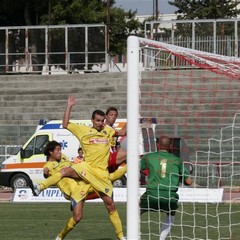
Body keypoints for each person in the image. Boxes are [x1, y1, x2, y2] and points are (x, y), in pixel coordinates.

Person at [32, 96, 126, 240]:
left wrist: (135, 120)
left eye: (102, 121)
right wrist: (69, 106)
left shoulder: (108, 131)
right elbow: (65, 124)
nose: (100, 124)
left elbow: (121, 132)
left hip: (101, 174)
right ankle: (40, 187)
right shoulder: (82, 130)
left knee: (111, 206)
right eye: (98, 121)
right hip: (87, 168)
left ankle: (121, 237)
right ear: (92, 120)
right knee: (64, 172)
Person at [41, 140, 127, 240]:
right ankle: (60, 236)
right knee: (77, 218)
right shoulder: (48, 165)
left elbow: (72, 166)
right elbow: (45, 172)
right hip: (72, 192)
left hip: (82, 184)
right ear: (51, 152)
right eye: (58, 150)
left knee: (108, 180)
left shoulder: (64, 157)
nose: (60, 152)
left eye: (60, 150)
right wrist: (45, 172)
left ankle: (121, 236)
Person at [140, 136, 192, 240]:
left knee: (137, 210)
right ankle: (161, 239)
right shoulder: (177, 160)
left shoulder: (148, 157)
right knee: (171, 213)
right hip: (169, 195)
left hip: (152, 193)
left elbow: (138, 168)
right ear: (171, 146)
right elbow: (189, 182)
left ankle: (131, 236)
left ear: (157, 145)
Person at [105, 107, 127, 173]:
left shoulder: (113, 129)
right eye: (111, 115)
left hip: (114, 156)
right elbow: (123, 132)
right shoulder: (104, 127)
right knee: (131, 152)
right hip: (107, 157)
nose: (113, 117)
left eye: (115, 116)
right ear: (106, 116)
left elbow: (116, 144)